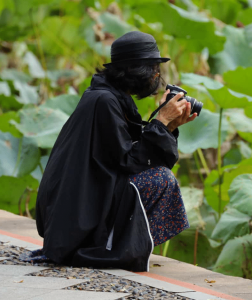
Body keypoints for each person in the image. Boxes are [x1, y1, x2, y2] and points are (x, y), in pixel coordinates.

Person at [32, 31, 197, 272]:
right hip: (77, 220)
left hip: (83, 205)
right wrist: (159, 124)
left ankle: (118, 242)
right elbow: (130, 162)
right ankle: (111, 246)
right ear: (135, 70)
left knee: (159, 175)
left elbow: (135, 157)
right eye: (153, 68)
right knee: (161, 179)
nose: (157, 75)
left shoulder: (108, 97)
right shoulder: (104, 101)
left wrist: (168, 127)